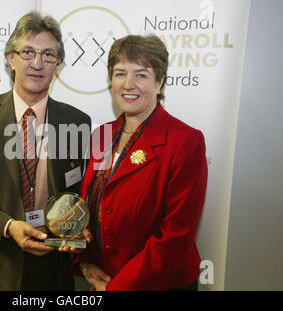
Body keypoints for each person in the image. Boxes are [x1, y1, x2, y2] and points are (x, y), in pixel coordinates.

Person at [0, 11, 91, 290]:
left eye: (48, 55)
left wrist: (79, 227)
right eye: (28, 52)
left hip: (53, 268)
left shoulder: (77, 121)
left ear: (58, 64)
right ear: (10, 58)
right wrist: (8, 225)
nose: (37, 63)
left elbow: (80, 193)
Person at [74, 35, 208, 290]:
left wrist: (117, 288)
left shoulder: (185, 141)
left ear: (160, 81)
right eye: (120, 73)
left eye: (142, 75)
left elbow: (174, 238)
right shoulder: (101, 135)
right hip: (101, 277)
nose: (128, 84)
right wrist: (84, 259)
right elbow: (90, 204)